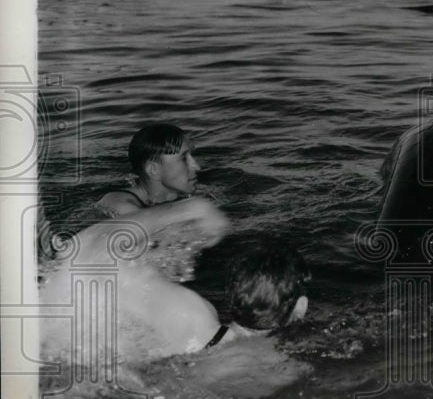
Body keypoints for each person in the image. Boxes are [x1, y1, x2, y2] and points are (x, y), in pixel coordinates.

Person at [39, 204, 308, 366]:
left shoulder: (191, 315)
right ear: (300, 307)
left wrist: (193, 209)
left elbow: (93, 250)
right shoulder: (279, 366)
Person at [96, 123, 202, 219]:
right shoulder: (120, 205)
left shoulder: (196, 192)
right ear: (154, 170)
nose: (197, 167)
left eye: (192, 156)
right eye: (184, 159)